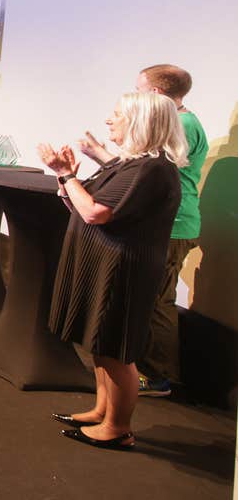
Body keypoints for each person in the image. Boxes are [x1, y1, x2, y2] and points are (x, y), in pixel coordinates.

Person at [39, 91, 186, 450]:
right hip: (106, 264)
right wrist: (68, 178)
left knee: (116, 349)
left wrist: (64, 174)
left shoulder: (151, 169)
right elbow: (81, 199)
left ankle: (118, 428)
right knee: (101, 344)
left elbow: (93, 212)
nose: (109, 120)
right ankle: (102, 410)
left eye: (117, 114)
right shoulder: (130, 164)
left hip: (123, 271)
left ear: (141, 122)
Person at [86, 65, 207, 398]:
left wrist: (100, 156)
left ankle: (157, 374)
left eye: (138, 90)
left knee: (156, 301)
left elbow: (144, 170)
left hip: (172, 225)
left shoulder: (180, 124)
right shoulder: (185, 122)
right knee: (154, 299)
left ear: (154, 95)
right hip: (170, 223)